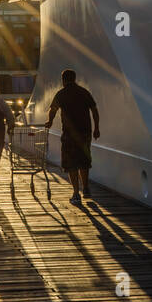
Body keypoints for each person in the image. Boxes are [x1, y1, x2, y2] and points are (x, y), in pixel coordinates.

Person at [45, 69, 100, 207]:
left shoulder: (61, 94)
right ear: (74, 78)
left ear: (63, 80)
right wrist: (97, 128)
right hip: (85, 133)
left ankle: (76, 193)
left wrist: (50, 122)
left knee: (71, 164)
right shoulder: (84, 92)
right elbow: (94, 110)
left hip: (69, 134)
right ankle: (86, 188)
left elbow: (53, 110)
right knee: (84, 160)